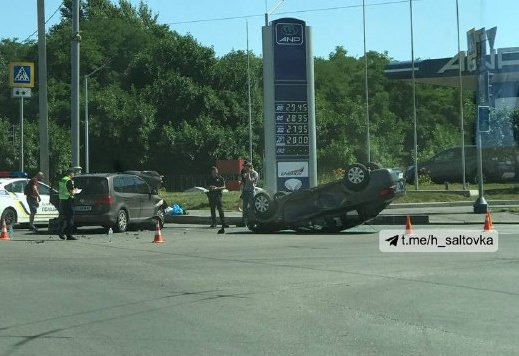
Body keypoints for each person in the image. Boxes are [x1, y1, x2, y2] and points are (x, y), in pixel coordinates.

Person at [58, 168, 78, 240]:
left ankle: (60, 231)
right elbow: (72, 192)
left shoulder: (62, 179)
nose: (74, 175)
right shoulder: (69, 180)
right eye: (73, 173)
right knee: (70, 218)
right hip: (69, 200)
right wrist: (76, 190)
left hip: (62, 200)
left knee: (64, 217)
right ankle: (69, 235)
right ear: (70, 173)